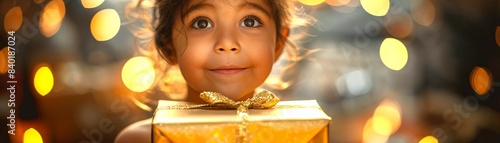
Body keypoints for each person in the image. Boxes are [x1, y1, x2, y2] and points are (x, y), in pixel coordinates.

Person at [115, 0, 305, 142]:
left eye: (250, 22)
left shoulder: (302, 134)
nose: (227, 43)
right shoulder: (145, 139)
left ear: (278, 44)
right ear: (169, 46)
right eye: (202, 23)